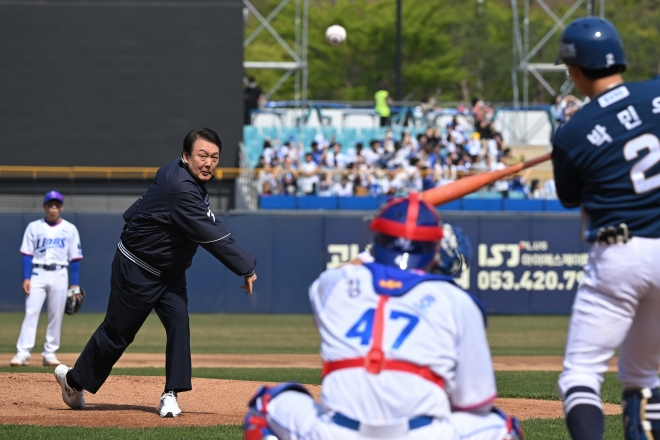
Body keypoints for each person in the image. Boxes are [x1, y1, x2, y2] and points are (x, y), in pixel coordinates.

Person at [242, 193, 523, 440]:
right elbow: (476, 403)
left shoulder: (335, 286)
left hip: (335, 434)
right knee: (502, 427)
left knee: (268, 404)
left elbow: (346, 272)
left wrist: (384, 242)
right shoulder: (458, 302)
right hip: (421, 435)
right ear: (434, 250)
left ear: (377, 239)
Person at [53, 128, 257, 418]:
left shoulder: (182, 173)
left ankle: (170, 394)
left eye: (214, 157)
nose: (208, 162)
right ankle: (73, 382)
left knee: (178, 325)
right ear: (186, 156)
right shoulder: (181, 188)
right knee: (117, 334)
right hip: (137, 269)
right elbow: (209, 232)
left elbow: (154, 204)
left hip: (170, 273)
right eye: (202, 155)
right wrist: (245, 265)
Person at [552, 17, 660, 440]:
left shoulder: (571, 133)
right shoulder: (656, 94)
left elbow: (569, 198)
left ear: (574, 70)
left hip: (620, 253)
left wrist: (572, 145)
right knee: (645, 376)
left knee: (581, 374)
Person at [11, 191, 83, 367]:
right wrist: (26, 278)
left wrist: (74, 284)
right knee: (31, 312)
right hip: (38, 273)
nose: (53, 208)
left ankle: (50, 353)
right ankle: (22, 353)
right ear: (45, 207)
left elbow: (74, 258)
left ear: (61, 207)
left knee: (56, 314)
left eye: (57, 205)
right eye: (50, 205)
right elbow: (27, 254)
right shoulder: (34, 227)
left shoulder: (69, 229)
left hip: (60, 273)